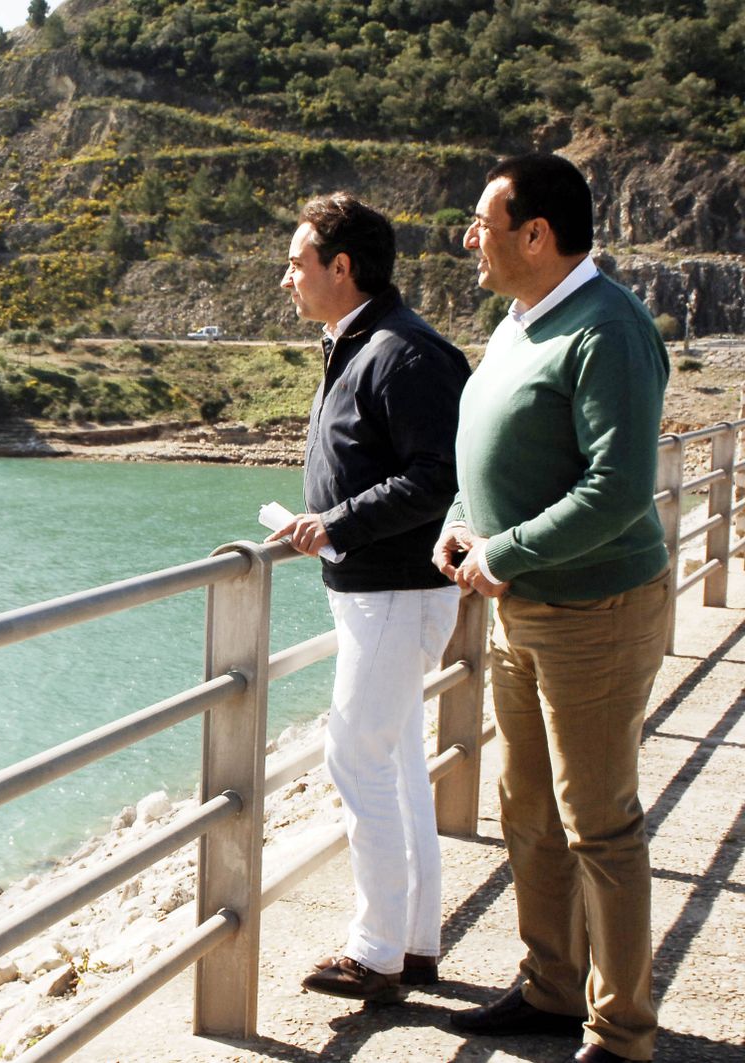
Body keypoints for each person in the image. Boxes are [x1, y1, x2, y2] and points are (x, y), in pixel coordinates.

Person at [435, 153, 670, 1063]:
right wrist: (463, 523)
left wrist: (508, 551)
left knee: (599, 824)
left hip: (595, 608)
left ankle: (621, 1033)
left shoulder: (608, 328)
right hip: (521, 603)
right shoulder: (518, 320)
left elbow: (618, 489)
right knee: (526, 806)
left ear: (536, 234)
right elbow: (489, 453)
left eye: (481, 225)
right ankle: (549, 988)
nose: (469, 241)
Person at [266, 192, 470, 1004]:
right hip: (380, 589)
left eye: (296, 261)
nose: (286, 278)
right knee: (398, 764)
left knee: (356, 757)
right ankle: (414, 942)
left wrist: (336, 522)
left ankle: (377, 951)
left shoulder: (401, 352)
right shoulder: (365, 343)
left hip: (392, 590)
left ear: (340, 267)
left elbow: (435, 476)